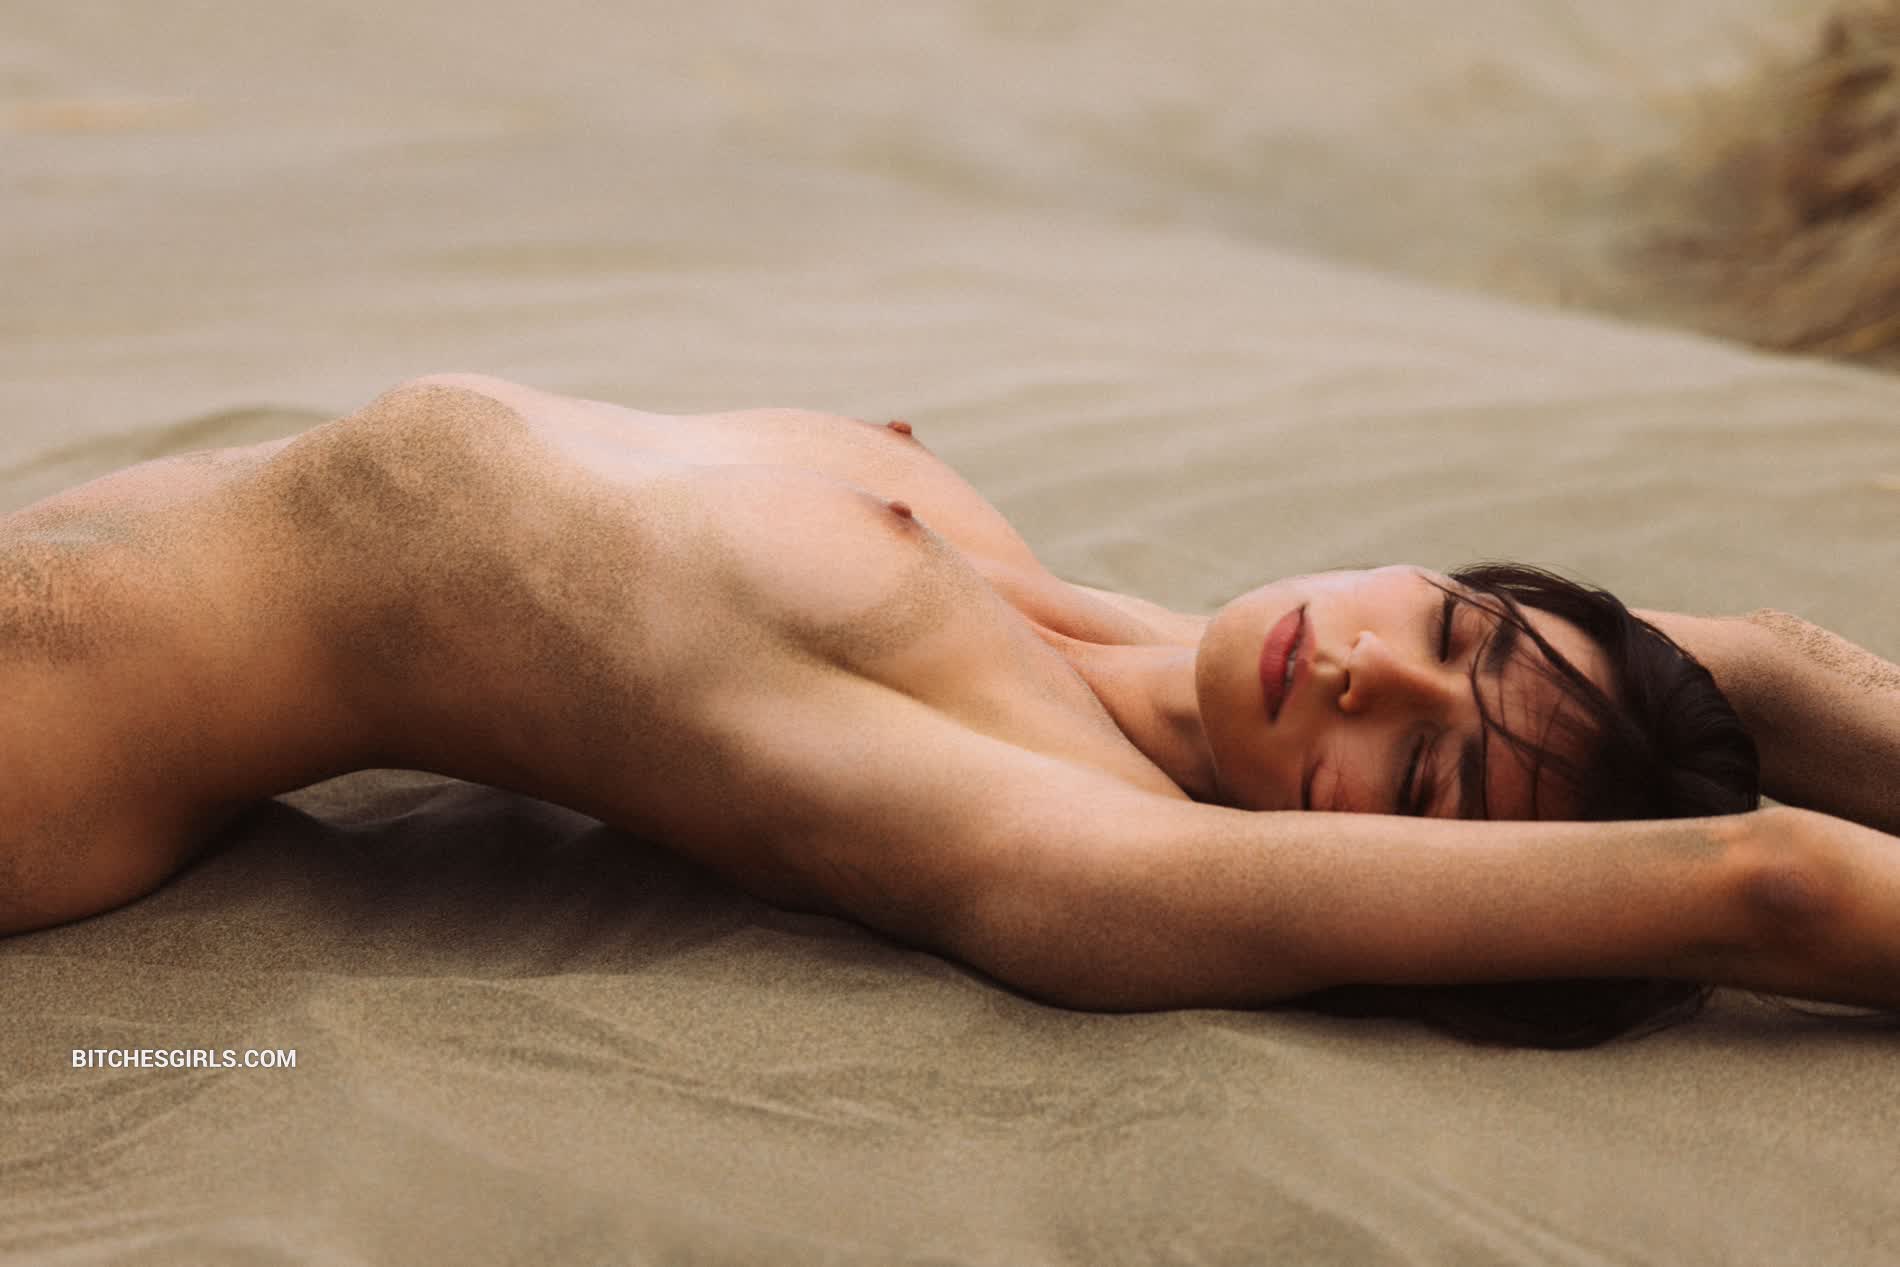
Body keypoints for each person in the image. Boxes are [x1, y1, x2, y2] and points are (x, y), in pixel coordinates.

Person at [2, 373, 1896, 1048]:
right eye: (1458, 626)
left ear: (1403, 888)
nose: (1363, 669)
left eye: (1414, 773)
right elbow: (1772, 666)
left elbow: (1767, 886)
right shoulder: (1101, 627)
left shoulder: (1061, 834)